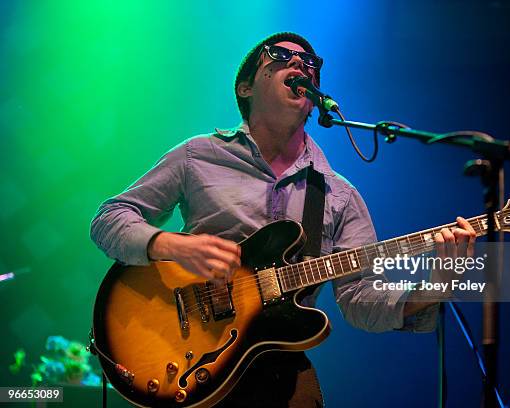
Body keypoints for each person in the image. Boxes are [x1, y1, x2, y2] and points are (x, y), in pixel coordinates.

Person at [90, 32, 476, 407]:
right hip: (187, 356)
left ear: (312, 101)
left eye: (310, 63)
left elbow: (361, 303)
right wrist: (173, 245)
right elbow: (109, 218)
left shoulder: (339, 194)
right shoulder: (197, 156)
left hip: (281, 374)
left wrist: (435, 287)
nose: (298, 62)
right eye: (278, 56)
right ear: (245, 88)